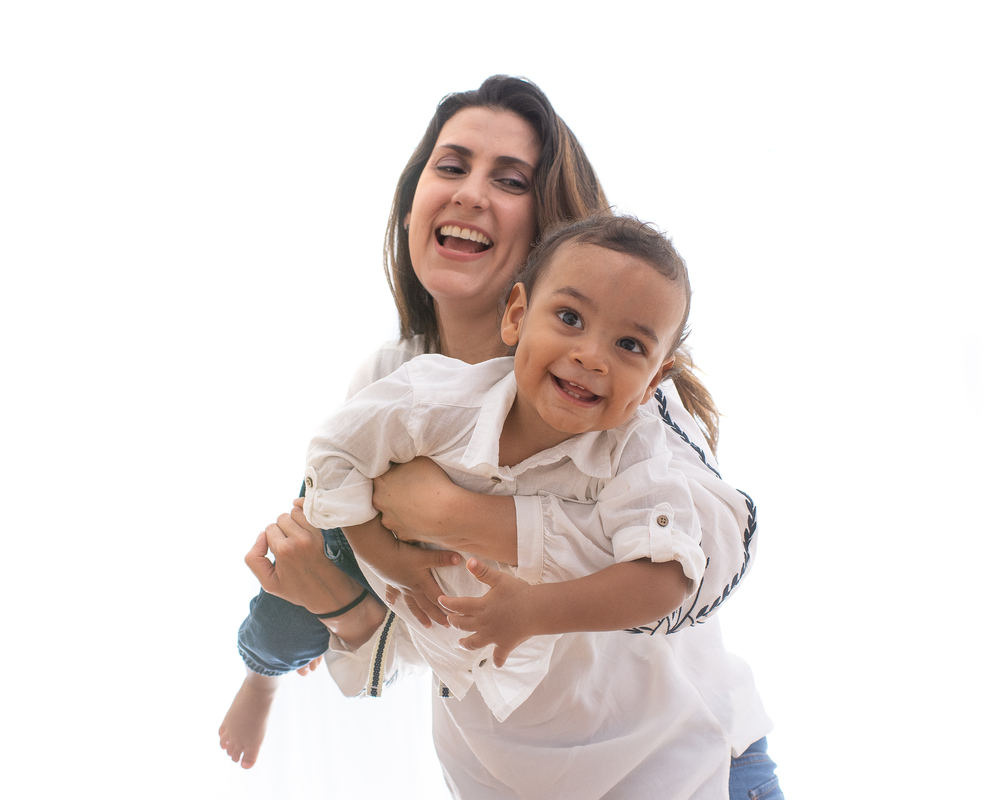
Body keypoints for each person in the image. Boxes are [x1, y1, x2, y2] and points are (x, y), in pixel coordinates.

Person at [220, 75, 780, 799]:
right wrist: (350, 602)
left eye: (509, 180)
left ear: (548, 225)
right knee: (299, 561)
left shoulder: (619, 394)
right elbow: (434, 629)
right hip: (501, 781)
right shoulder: (393, 382)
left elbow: (710, 564)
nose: (470, 193)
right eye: (451, 166)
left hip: (681, 773)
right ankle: (261, 670)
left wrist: (461, 516)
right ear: (412, 203)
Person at [297, 214, 708, 722]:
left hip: (599, 730)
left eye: (630, 346)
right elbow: (332, 451)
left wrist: (537, 611)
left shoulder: (635, 449)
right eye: (570, 318)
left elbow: (667, 577)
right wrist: (384, 555)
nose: (592, 357)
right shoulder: (432, 399)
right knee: (282, 614)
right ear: (517, 315)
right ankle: (261, 673)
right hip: (352, 538)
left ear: (653, 383)